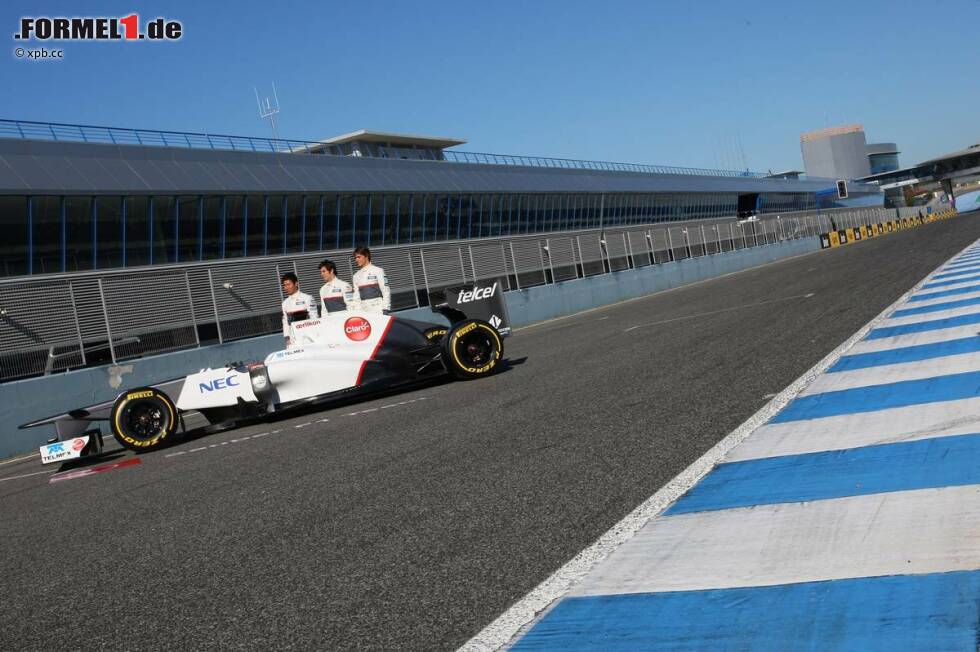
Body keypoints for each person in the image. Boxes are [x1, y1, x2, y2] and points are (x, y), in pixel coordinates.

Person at [280, 272, 318, 347]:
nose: (286, 287)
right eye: (284, 285)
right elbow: (285, 322)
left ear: (296, 284)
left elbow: (314, 318)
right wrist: (287, 339)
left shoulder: (307, 298)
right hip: (292, 340)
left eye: (288, 284)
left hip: (308, 339)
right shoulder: (285, 303)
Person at [351, 246, 391, 313]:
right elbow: (356, 296)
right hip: (363, 311)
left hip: (378, 309)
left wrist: (386, 308)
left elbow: (386, 290)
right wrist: (357, 311)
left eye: (359, 257)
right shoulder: (356, 276)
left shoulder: (378, 271)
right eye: (355, 258)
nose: (356, 260)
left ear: (366, 256)